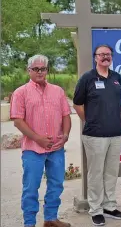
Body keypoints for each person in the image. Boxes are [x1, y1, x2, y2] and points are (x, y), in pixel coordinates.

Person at [10, 55, 72, 227]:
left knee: (56, 185)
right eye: (35, 69)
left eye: (42, 68)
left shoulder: (58, 91)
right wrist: (38, 138)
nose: (39, 72)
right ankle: (29, 223)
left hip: (56, 149)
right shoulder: (20, 93)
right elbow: (17, 121)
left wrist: (65, 136)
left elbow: (66, 115)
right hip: (32, 149)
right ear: (28, 70)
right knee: (31, 188)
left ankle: (51, 219)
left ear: (47, 70)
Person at [73, 44, 121, 226]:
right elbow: (77, 104)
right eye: (101, 54)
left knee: (111, 172)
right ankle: (95, 209)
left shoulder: (117, 77)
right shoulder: (87, 78)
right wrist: (89, 121)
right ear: (95, 58)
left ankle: (109, 206)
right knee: (96, 174)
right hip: (95, 136)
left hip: (116, 134)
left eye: (108, 54)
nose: (105, 57)